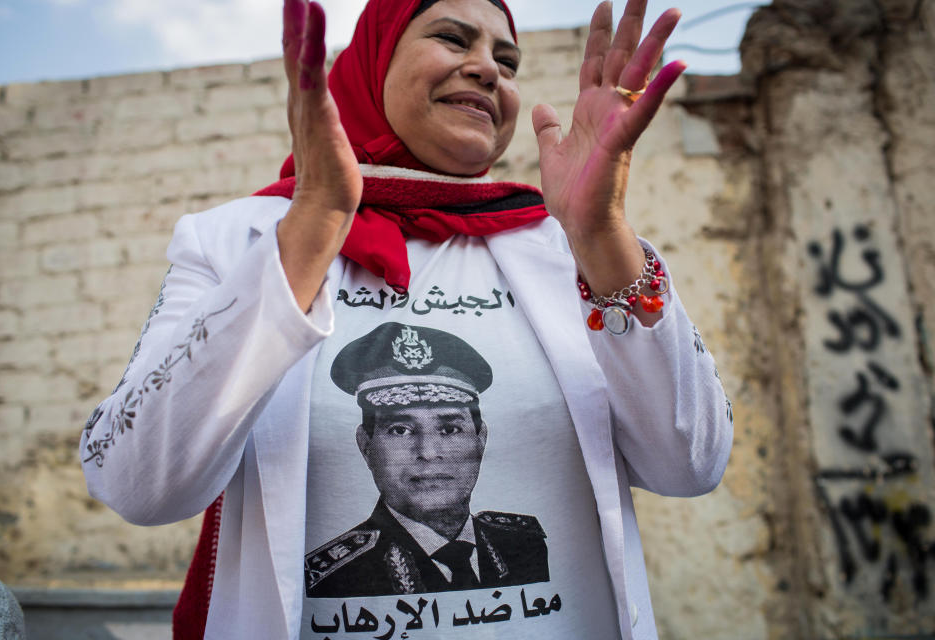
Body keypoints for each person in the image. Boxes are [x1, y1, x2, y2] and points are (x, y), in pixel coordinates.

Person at [80, 0, 733, 638]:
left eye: (506, 60)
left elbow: (693, 463)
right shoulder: (236, 239)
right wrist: (312, 226)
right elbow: (137, 485)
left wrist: (602, 235)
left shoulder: (569, 247)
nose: (487, 68)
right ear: (372, 61)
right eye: (454, 39)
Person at [306, 322, 549, 597]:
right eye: (400, 430)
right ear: (366, 446)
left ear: (480, 440)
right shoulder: (334, 577)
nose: (429, 452)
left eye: (449, 429)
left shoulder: (526, 546)